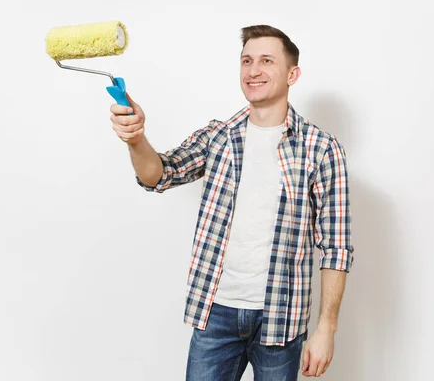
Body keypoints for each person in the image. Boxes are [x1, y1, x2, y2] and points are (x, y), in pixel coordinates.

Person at [109, 25, 353, 380]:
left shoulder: (322, 149)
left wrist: (326, 329)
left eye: (267, 61)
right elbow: (159, 174)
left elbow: (336, 247)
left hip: (282, 317)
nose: (254, 70)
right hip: (216, 312)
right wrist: (136, 139)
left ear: (292, 74)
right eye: (247, 61)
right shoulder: (218, 137)